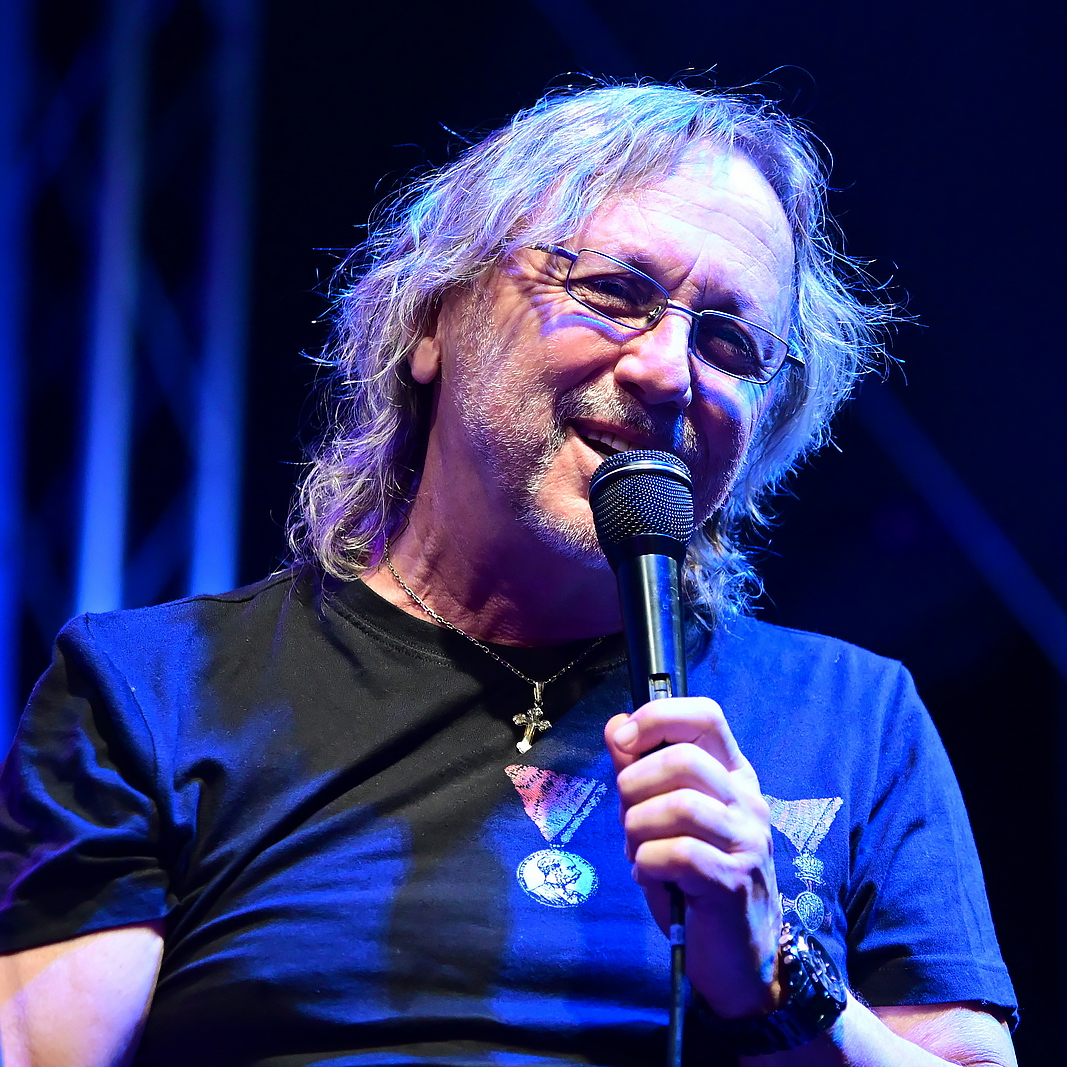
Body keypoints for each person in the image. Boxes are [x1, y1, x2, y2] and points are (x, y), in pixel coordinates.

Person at [0, 83, 1017, 1066]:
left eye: (726, 341)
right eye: (613, 291)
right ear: (431, 318)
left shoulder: (853, 716)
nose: (668, 371)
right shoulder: (157, 689)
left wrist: (776, 979)